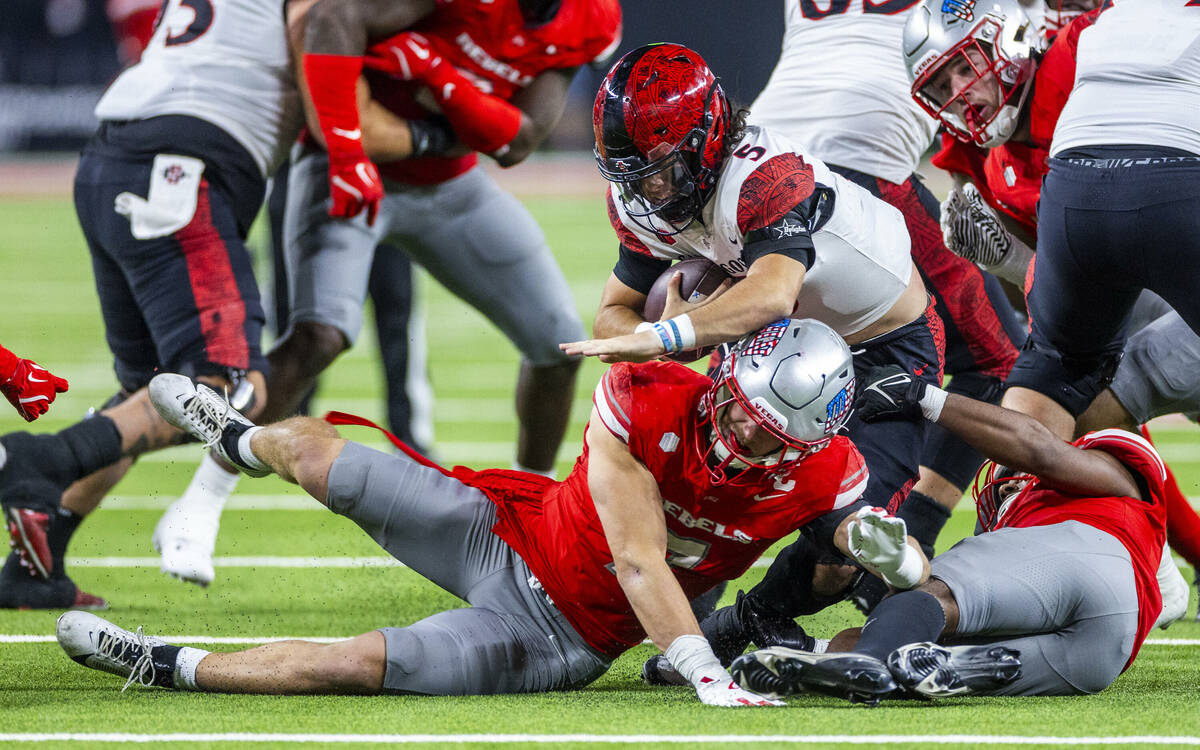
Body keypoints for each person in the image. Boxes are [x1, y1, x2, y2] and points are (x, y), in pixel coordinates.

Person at [56, 319, 924, 705]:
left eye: (764, 431)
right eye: (737, 402)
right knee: (323, 458)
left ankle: (168, 666)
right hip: (509, 526)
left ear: (806, 443)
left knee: (360, 664)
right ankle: (240, 443)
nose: (736, 427)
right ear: (727, 372)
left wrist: (879, 547)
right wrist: (704, 673)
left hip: (557, 637)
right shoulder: (648, 392)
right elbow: (637, 558)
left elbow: (853, 538)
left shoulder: (826, 473)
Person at [0, 0, 308, 609]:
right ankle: (38, 460)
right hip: (179, 166)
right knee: (225, 389)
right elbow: (317, 39)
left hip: (118, 157)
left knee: (147, 390)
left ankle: (34, 562)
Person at [904, 0, 1198, 619]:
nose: (961, 95)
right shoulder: (990, 162)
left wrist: (1013, 258)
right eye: (939, 86)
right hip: (1143, 287)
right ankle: (1140, 554)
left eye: (964, 69)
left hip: (1171, 268)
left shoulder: (1076, 56)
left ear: (1008, 38)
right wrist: (1010, 261)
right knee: (1074, 400)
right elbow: (1061, 303)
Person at [730, 363, 1168, 702]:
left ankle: (866, 665)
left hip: (1090, 554)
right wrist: (816, 648)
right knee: (905, 656)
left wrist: (924, 396)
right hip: (1103, 652)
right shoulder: (1031, 529)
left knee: (918, 600)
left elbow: (1040, 449)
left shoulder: (1105, 475)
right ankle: (928, 670)